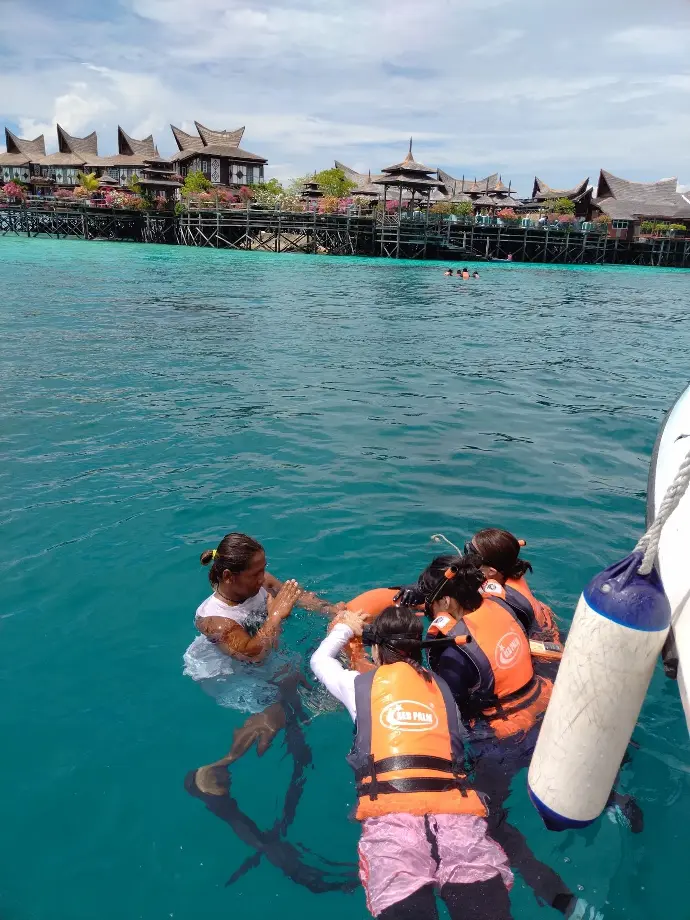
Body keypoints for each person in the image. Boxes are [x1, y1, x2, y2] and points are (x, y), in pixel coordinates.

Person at [310, 605, 514, 920]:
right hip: (456, 812)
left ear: (376, 649)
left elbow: (319, 661)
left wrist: (346, 628)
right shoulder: (443, 691)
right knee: (482, 908)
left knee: (406, 908)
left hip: (393, 815)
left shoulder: (357, 686)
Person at [185, 532, 342, 793]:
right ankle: (219, 766)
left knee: (298, 693)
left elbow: (297, 597)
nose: (262, 579)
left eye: (263, 570)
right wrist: (276, 616)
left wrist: (335, 611)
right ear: (228, 577)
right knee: (278, 714)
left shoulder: (259, 584)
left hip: (261, 650)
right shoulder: (212, 619)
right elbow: (252, 655)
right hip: (224, 671)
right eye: (255, 573)